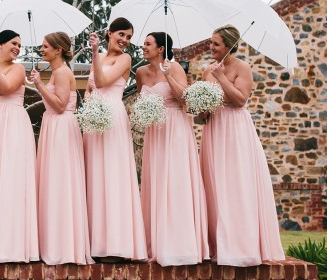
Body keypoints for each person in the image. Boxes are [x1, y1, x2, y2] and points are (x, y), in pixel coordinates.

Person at [200, 25, 285, 266]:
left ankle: (241, 246)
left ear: (229, 45)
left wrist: (220, 78)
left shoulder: (242, 67)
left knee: (236, 183)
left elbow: (239, 100)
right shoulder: (206, 70)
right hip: (214, 128)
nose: (211, 47)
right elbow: (203, 108)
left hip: (235, 129)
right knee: (214, 184)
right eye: (210, 43)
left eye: (216, 44)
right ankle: (217, 244)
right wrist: (201, 110)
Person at [136, 32, 209, 266]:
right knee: (156, 183)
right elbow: (141, 102)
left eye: (148, 44)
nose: (143, 47)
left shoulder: (175, 67)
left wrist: (168, 76)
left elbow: (184, 100)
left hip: (175, 128)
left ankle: (180, 244)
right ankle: (155, 242)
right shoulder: (140, 73)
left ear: (160, 49)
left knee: (176, 183)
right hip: (154, 131)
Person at [84, 18, 147, 261]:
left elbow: (102, 82)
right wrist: (88, 111)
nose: (125, 40)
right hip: (93, 118)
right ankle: (94, 242)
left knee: (112, 174)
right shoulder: (98, 57)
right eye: (122, 34)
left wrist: (93, 52)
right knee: (94, 174)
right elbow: (89, 90)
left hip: (113, 116)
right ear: (109, 33)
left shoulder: (125, 59)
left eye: (129, 37)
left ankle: (115, 243)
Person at [29, 32, 93, 265]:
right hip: (53, 128)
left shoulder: (63, 72)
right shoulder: (56, 72)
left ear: (58, 50)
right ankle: (54, 242)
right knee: (52, 183)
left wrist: (38, 85)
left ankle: (64, 247)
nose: (41, 50)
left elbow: (59, 105)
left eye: (45, 47)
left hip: (62, 129)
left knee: (60, 183)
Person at [0, 29, 39, 263]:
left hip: (13, 127)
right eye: (14, 43)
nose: (17, 48)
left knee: (11, 180)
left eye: (19, 45)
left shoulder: (18, 69)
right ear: (0, 43)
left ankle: (13, 245)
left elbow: (3, 89)